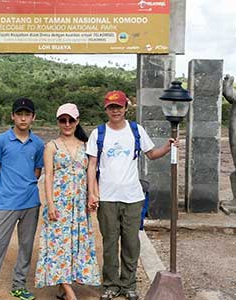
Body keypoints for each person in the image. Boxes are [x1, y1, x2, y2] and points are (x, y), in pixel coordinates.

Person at [86, 91, 177, 300]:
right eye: (111, 107)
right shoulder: (98, 133)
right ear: (106, 109)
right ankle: (110, 284)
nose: (115, 110)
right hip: (107, 197)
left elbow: (151, 154)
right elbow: (92, 165)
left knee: (131, 243)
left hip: (133, 197)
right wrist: (92, 193)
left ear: (126, 107)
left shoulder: (136, 130)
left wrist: (167, 147)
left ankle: (128, 284)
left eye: (119, 106)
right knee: (109, 243)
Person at [0, 98, 44, 300]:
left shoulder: (38, 143)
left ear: (33, 117)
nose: (23, 118)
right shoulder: (1, 141)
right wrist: (6, 188)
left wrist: (25, 185)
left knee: (26, 246)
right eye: (19, 114)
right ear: (13, 116)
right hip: (8, 203)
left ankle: (19, 286)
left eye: (27, 114)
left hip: (31, 202)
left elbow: (37, 171)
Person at [35, 103, 101, 300]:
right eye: (63, 120)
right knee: (58, 246)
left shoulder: (85, 145)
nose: (67, 124)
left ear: (77, 121)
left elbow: (91, 172)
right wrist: (51, 204)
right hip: (60, 204)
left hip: (79, 205)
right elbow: (48, 176)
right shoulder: (51, 146)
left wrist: (93, 195)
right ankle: (69, 292)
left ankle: (62, 288)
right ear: (58, 122)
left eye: (71, 120)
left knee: (75, 245)